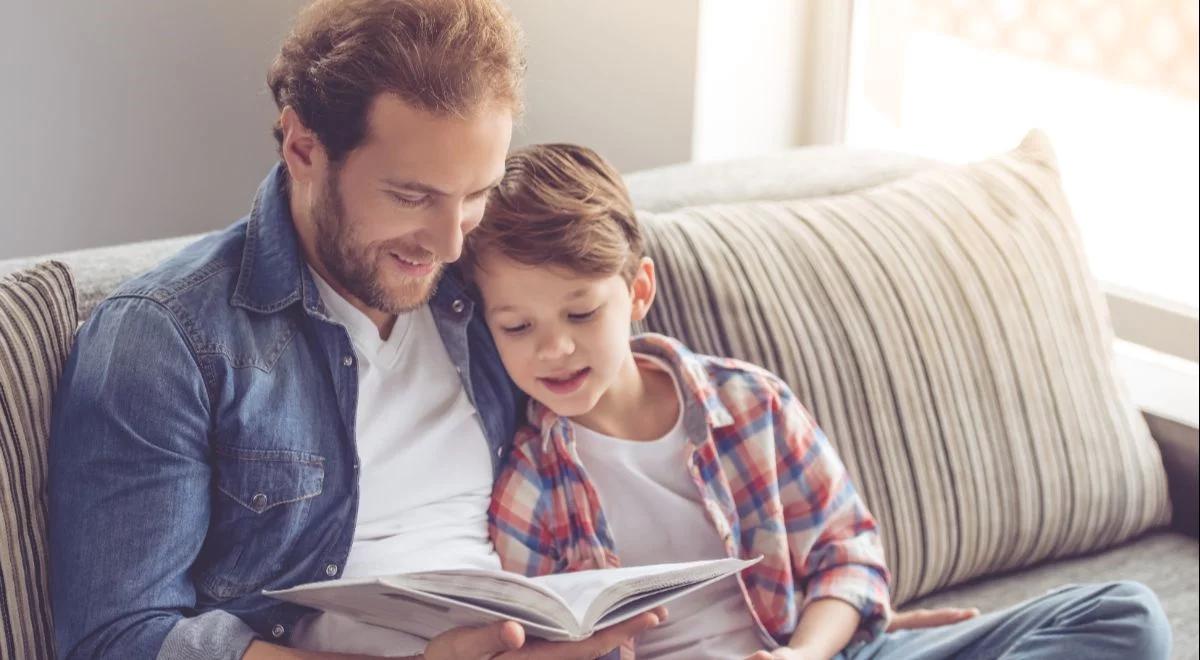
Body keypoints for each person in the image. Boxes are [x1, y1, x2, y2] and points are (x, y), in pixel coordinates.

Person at [47, 2, 666, 658]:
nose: (450, 244)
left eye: (476, 194)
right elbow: (116, 638)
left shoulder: (488, 288)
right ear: (303, 149)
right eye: (413, 196)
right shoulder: (166, 339)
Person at [467, 143, 1174, 660]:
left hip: (825, 654)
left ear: (639, 292)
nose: (553, 349)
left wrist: (805, 653)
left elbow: (849, 557)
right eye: (518, 327)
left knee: (1124, 616)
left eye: (581, 314)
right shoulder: (530, 490)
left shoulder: (748, 404)